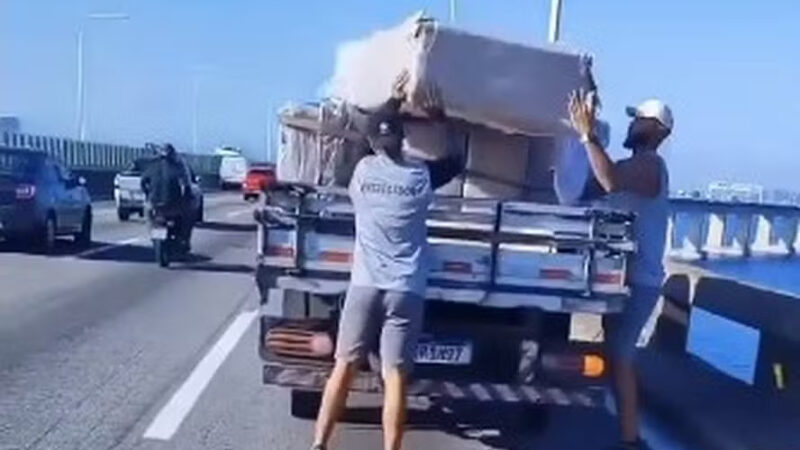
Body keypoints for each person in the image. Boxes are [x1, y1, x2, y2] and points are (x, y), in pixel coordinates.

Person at [311, 72, 463, 450]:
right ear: (404, 139)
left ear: (375, 143)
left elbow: (353, 148)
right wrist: (439, 116)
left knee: (343, 366)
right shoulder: (420, 176)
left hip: (364, 285)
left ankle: (318, 444)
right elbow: (456, 160)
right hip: (406, 288)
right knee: (395, 375)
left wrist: (392, 101)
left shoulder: (359, 173)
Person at [569, 87, 673, 450]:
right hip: (623, 280)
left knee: (623, 356)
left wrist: (587, 135)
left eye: (639, 118)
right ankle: (623, 428)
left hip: (640, 282)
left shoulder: (649, 167)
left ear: (657, 129)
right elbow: (595, 185)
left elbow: (610, 179)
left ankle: (631, 440)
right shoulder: (634, 166)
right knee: (616, 354)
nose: (632, 123)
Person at [140, 143, 196, 253]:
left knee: (148, 214)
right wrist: (187, 195)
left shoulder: (152, 166)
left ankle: (152, 233)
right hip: (174, 205)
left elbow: (143, 182)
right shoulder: (177, 166)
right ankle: (184, 239)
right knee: (189, 216)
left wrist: (148, 194)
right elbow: (186, 184)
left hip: (155, 205)